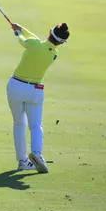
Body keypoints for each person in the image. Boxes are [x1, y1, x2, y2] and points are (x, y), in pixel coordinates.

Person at [6, 22, 71, 173]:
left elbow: (24, 41)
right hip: (35, 91)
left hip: (15, 86)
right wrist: (21, 29)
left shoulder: (34, 44)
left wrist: (19, 33)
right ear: (61, 43)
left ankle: (23, 161)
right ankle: (37, 153)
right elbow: (37, 42)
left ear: (50, 31)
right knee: (36, 125)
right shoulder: (53, 54)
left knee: (19, 124)